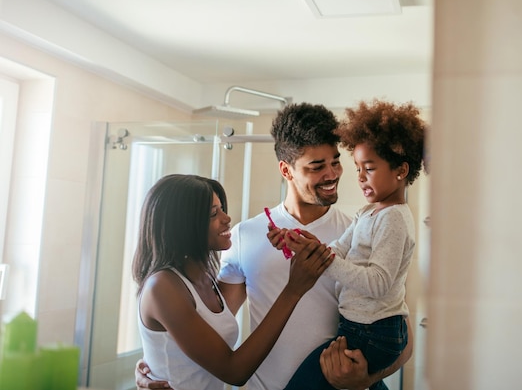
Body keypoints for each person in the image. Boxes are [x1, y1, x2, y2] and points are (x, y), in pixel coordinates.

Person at [136, 103, 414, 390]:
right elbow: (211, 322)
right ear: (286, 169)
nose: (332, 174)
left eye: (335, 162)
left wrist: (365, 378)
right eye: (317, 166)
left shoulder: (358, 233)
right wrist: (155, 364)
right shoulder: (245, 235)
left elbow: (401, 337)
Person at [132, 174, 333, 390]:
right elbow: (234, 371)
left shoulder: (205, 278)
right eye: (213, 214)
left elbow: (175, 351)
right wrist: (293, 290)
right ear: (183, 225)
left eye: (222, 209)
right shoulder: (162, 287)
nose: (227, 218)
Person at [279, 99, 427, 390]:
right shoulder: (368, 212)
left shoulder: (394, 219)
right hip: (358, 328)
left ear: (400, 170)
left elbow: (378, 283)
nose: (359, 178)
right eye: (357, 168)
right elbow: (338, 249)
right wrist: (305, 244)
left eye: (369, 169)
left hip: (374, 334)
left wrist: (326, 261)